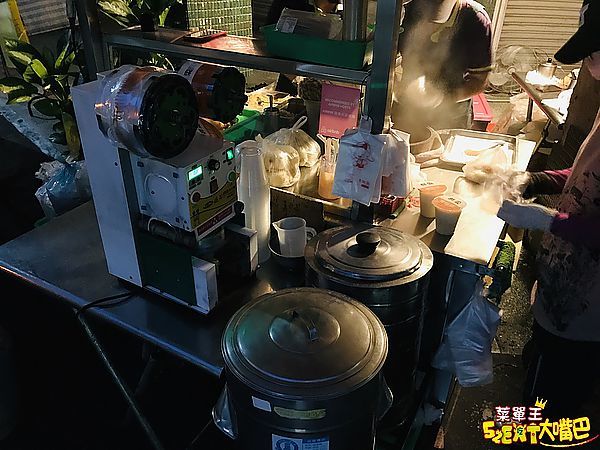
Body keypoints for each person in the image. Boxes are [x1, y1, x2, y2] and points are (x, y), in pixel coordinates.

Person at [497, 0, 600, 418]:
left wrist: (546, 220)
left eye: (593, 52)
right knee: (537, 373)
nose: (588, 62)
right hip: (562, 291)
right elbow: (586, 176)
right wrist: (537, 180)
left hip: (586, 312)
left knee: (554, 406)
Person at [394, 0, 493, 133]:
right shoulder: (404, 11)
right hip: (407, 108)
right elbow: (386, 57)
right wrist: (393, 85)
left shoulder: (475, 20)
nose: (428, 24)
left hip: (451, 114)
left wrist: (441, 98)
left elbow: (480, 81)